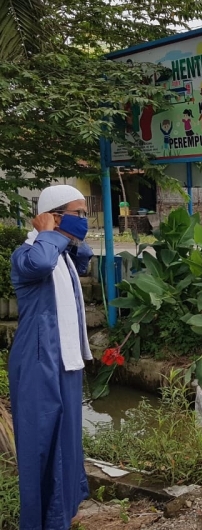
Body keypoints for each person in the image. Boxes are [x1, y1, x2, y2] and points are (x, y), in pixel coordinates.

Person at [9, 185, 93, 529]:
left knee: (67, 444)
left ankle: (62, 517)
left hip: (66, 363)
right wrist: (47, 232)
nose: (84, 221)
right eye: (79, 214)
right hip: (38, 364)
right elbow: (41, 261)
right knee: (42, 446)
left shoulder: (61, 256)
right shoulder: (28, 254)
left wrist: (69, 238)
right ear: (53, 216)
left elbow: (84, 259)